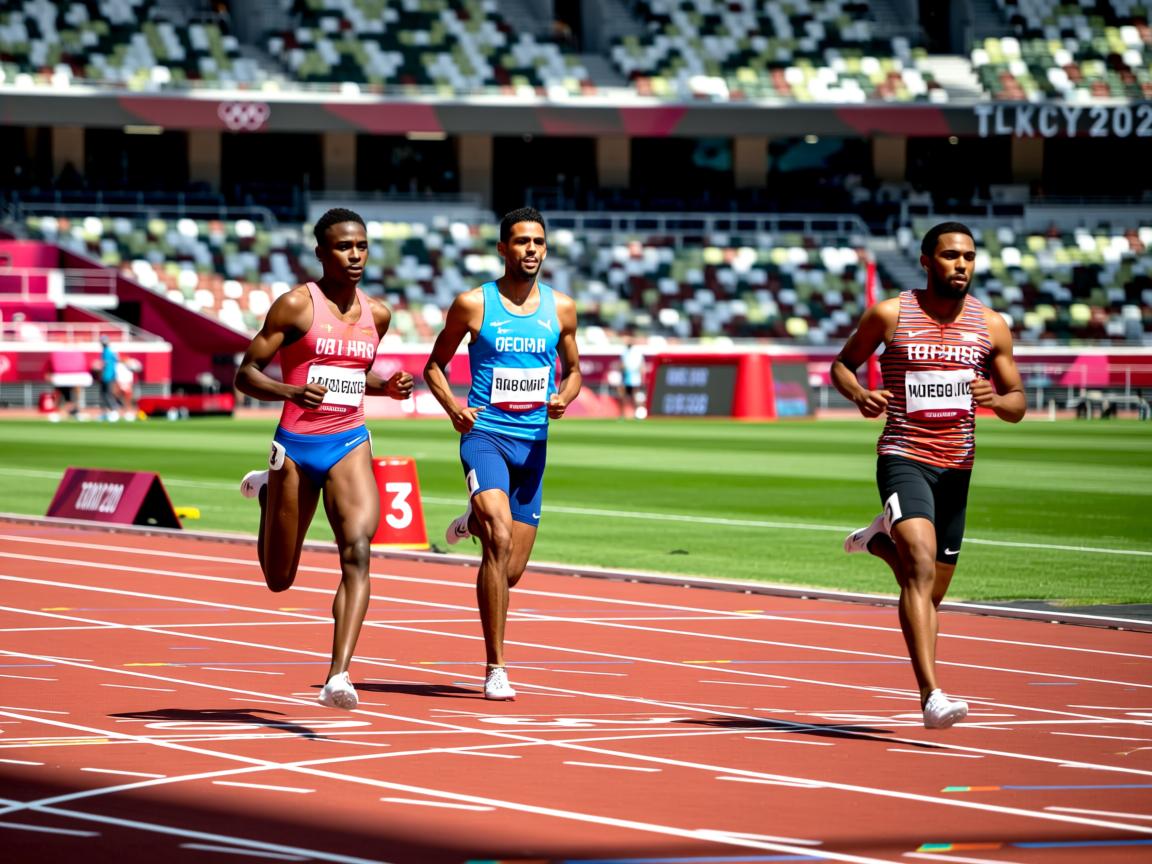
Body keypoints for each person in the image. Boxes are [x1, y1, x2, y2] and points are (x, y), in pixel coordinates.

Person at [830, 221, 1025, 729]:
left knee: (928, 595)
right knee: (918, 568)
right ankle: (931, 696)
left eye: (969, 257)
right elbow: (843, 365)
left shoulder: (991, 326)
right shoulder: (890, 314)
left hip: (958, 468)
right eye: (950, 255)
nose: (960, 265)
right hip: (904, 456)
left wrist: (996, 399)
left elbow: (1018, 403)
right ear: (925, 261)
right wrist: (860, 394)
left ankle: (879, 541)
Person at [234, 207, 414, 710]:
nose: (354, 255)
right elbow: (245, 373)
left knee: (358, 547)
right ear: (320, 252)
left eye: (361, 246)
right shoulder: (296, 306)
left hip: (348, 440)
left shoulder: (378, 314)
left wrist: (387, 387)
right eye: (343, 246)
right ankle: (268, 494)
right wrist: (289, 390)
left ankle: (339, 675)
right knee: (279, 579)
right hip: (296, 446)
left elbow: (352, 373)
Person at [423, 207, 582, 701]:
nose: (531, 249)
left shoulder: (562, 309)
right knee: (498, 536)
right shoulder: (473, 304)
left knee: (508, 571)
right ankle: (496, 668)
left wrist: (564, 397)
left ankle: (472, 519)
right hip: (485, 436)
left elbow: (575, 371)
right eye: (521, 241)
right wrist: (454, 408)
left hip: (532, 444)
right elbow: (434, 365)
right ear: (502, 248)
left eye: (538, 241)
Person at [618, 331, 647, 419]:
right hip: (626, 376)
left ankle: (636, 414)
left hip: (634, 377)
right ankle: (622, 414)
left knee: (635, 396)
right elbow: (622, 364)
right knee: (623, 396)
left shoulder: (637, 352)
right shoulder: (624, 351)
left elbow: (641, 366)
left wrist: (641, 377)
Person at [96, 335, 122, 420]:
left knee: (107, 394)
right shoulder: (108, 351)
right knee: (104, 394)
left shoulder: (108, 351)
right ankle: (107, 412)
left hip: (108, 376)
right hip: (108, 375)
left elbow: (105, 364)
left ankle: (114, 411)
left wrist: (100, 372)